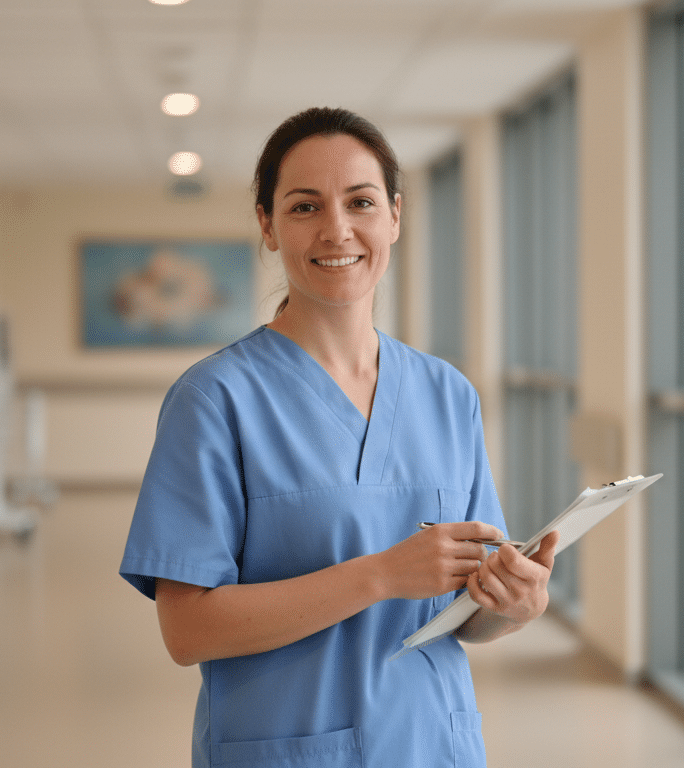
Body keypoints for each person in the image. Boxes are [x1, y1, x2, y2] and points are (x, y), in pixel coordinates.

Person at [119, 106, 561, 768]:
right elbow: (188, 631)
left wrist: (517, 604)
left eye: (360, 201)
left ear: (395, 217)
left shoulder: (447, 395)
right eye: (304, 207)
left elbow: (468, 614)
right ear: (268, 225)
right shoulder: (214, 400)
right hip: (285, 749)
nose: (337, 229)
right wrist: (381, 574)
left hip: (431, 745)